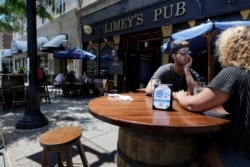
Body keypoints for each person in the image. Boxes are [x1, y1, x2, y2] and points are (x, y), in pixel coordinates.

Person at [174, 26, 250, 167]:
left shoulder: (233, 72)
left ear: (229, 47)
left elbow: (193, 104)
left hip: (243, 155)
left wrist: (180, 96)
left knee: (200, 150)